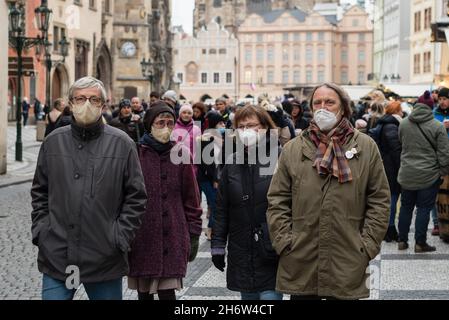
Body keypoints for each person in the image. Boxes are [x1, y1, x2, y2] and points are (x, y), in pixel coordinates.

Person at [267, 83, 390, 300]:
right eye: (317, 102)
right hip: (301, 256)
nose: (323, 107)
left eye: (330, 102)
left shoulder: (366, 146)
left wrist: (367, 245)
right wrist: (284, 241)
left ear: (343, 107)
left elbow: (379, 199)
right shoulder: (293, 149)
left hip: (348, 256)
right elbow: (277, 200)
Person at [31, 76, 147, 300]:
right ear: (70, 103)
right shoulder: (53, 142)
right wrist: (42, 232)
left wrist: (119, 237)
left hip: (104, 256)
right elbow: (40, 192)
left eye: (93, 99)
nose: (86, 104)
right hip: (58, 254)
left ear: (103, 105)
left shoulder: (122, 143)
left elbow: (136, 197)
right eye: (81, 98)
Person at [128, 102, 202, 300]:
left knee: (168, 293)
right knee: (143, 293)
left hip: (173, 234)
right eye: (161, 122)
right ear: (150, 124)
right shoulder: (135, 153)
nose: (166, 127)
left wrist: (194, 232)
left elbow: (191, 198)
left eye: (170, 122)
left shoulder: (181, 153)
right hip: (142, 235)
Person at [211, 105, 283, 301]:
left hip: (271, 248)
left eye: (251, 126)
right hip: (241, 248)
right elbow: (221, 208)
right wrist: (218, 245)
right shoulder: (232, 163)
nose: (246, 131)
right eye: (241, 127)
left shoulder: (281, 157)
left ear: (265, 127)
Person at [397, 102, 449, 252]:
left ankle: (402, 240)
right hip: (429, 174)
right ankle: (420, 243)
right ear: (430, 108)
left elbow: (401, 142)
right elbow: (444, 153)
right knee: (424, 208)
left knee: (406, 207)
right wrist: (443, 171)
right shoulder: (437, 126)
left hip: (407, 173)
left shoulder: (404, 124)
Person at [376, 101, 403, 242]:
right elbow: (396, 150)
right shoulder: (391, 126)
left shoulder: (385, 123)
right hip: (391, 167)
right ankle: (390, 229)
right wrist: (402, 167)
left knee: (391, 198)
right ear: (396, 111)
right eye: (401, 110)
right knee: (392, 198)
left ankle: (389, 228)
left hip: (387, 165)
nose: (402, 113)